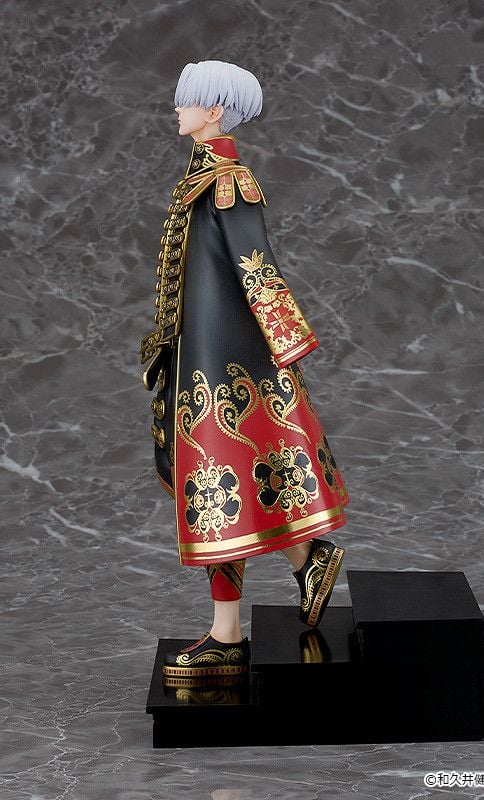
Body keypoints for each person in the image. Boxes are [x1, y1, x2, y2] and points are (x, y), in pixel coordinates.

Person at [139, 60, 349, 683]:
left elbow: (257, 265)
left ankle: (236, 626)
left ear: (214, 111)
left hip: (229, 357)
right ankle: (300, 566)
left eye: (187, 101)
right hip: (197, 352)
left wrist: (285, 339)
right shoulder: (201, 178)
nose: (177, 110)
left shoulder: (231, 183)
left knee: (223, 480)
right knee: (218, 487)